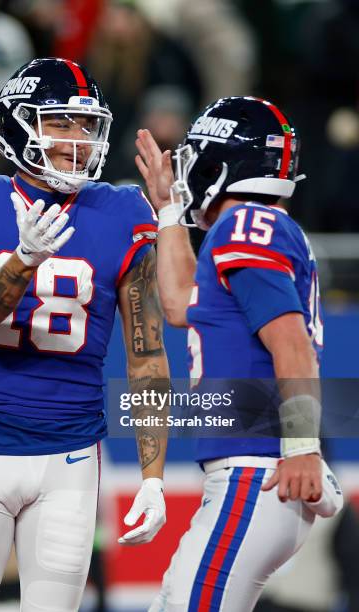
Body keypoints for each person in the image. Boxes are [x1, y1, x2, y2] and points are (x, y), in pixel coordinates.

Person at [0, 57, 168, 612]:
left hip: (70, 460)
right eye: (61, 123)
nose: (78, 140)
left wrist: (153, 478)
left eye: (87, 126)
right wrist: (24, 260)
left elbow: (148, 354)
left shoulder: (122, 208)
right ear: (20, 125)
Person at [135, 96, 344, 612]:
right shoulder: (247, 230)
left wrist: (301, 447)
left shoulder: (246, 226)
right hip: (252, 470)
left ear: (222, 164)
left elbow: (292, 344)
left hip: (257, 469)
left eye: (198, 157)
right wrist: (166, 213)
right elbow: (181, 302)